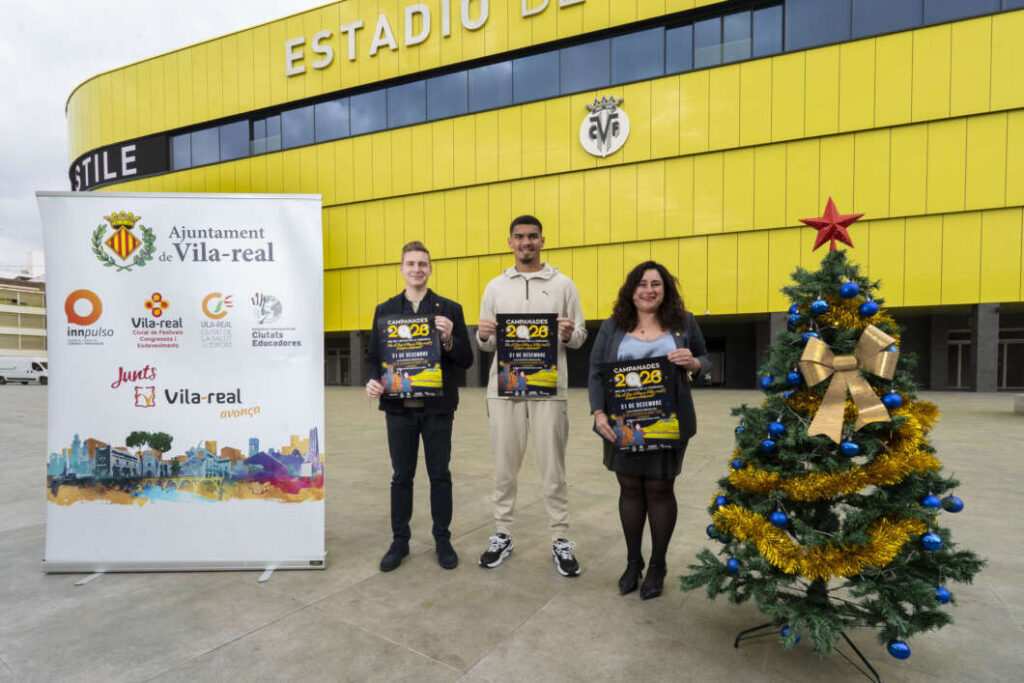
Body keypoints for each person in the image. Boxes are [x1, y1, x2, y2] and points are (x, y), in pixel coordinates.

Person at [588, 260, 710, 599]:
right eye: (642, 284)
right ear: (632, 289)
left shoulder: (683, 323)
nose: (649, 290)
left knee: (659, 489)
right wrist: (599, 414)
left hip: (668, 423)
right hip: (621, 423)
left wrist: (695, 363)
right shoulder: (614, 326)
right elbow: (597, 370)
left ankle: (658, 564)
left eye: (656, 284)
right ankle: (633, 562)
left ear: (665, 290)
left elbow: (704, 358)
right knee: (629, 490)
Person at [476, 215, 588, 576]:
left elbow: (581, 335)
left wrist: (570, 334)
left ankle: (560, 537)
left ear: (543, 240)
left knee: (553, 469)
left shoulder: (564, 285)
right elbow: (488, 343)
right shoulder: (494, 288)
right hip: (504, 391)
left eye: (533, 237)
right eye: (520, 237)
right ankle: (503, 533)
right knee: (504, 468)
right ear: (509, 242)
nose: (527, 242)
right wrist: (482, 334)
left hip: (549, 392)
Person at [365, 241, 473, 572]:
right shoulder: (385, 310)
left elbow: (466, 360)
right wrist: (372, 380)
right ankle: (400, 542)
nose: (417, 269)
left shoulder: (449, 309)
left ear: (430, 269)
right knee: (402, 476)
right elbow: (373, 357)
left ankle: (442, 540)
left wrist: (450, 338)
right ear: (401, 269)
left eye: (422, 264)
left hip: (438, 408)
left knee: (440, 475)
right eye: (411, 263)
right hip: (399, 409)